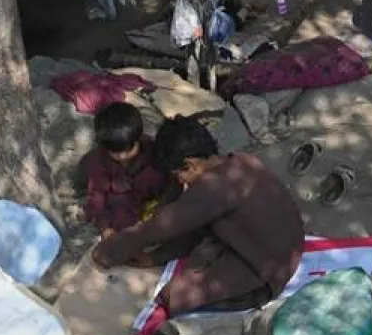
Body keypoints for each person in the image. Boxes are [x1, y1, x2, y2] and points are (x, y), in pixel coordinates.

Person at [92, 116, 305, 315]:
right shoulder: (241, 160)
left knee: (173, 296)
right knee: (197, 249)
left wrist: (108, 251)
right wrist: (154, 258)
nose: (181, 182)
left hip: (266, 270)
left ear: (191, 164)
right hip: (279, 246)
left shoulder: (214, 188)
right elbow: (194, 224)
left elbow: (161, 227)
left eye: (179, 175)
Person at [83, 102, 166, 233]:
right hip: (124, 205)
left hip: (152, 199)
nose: (122, 157)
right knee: (121, 217)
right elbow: (96, 198)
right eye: (115, 152)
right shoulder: (99, 163)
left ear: (138, 139)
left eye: (128, 150)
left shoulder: (151, 149)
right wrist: (105, 228)